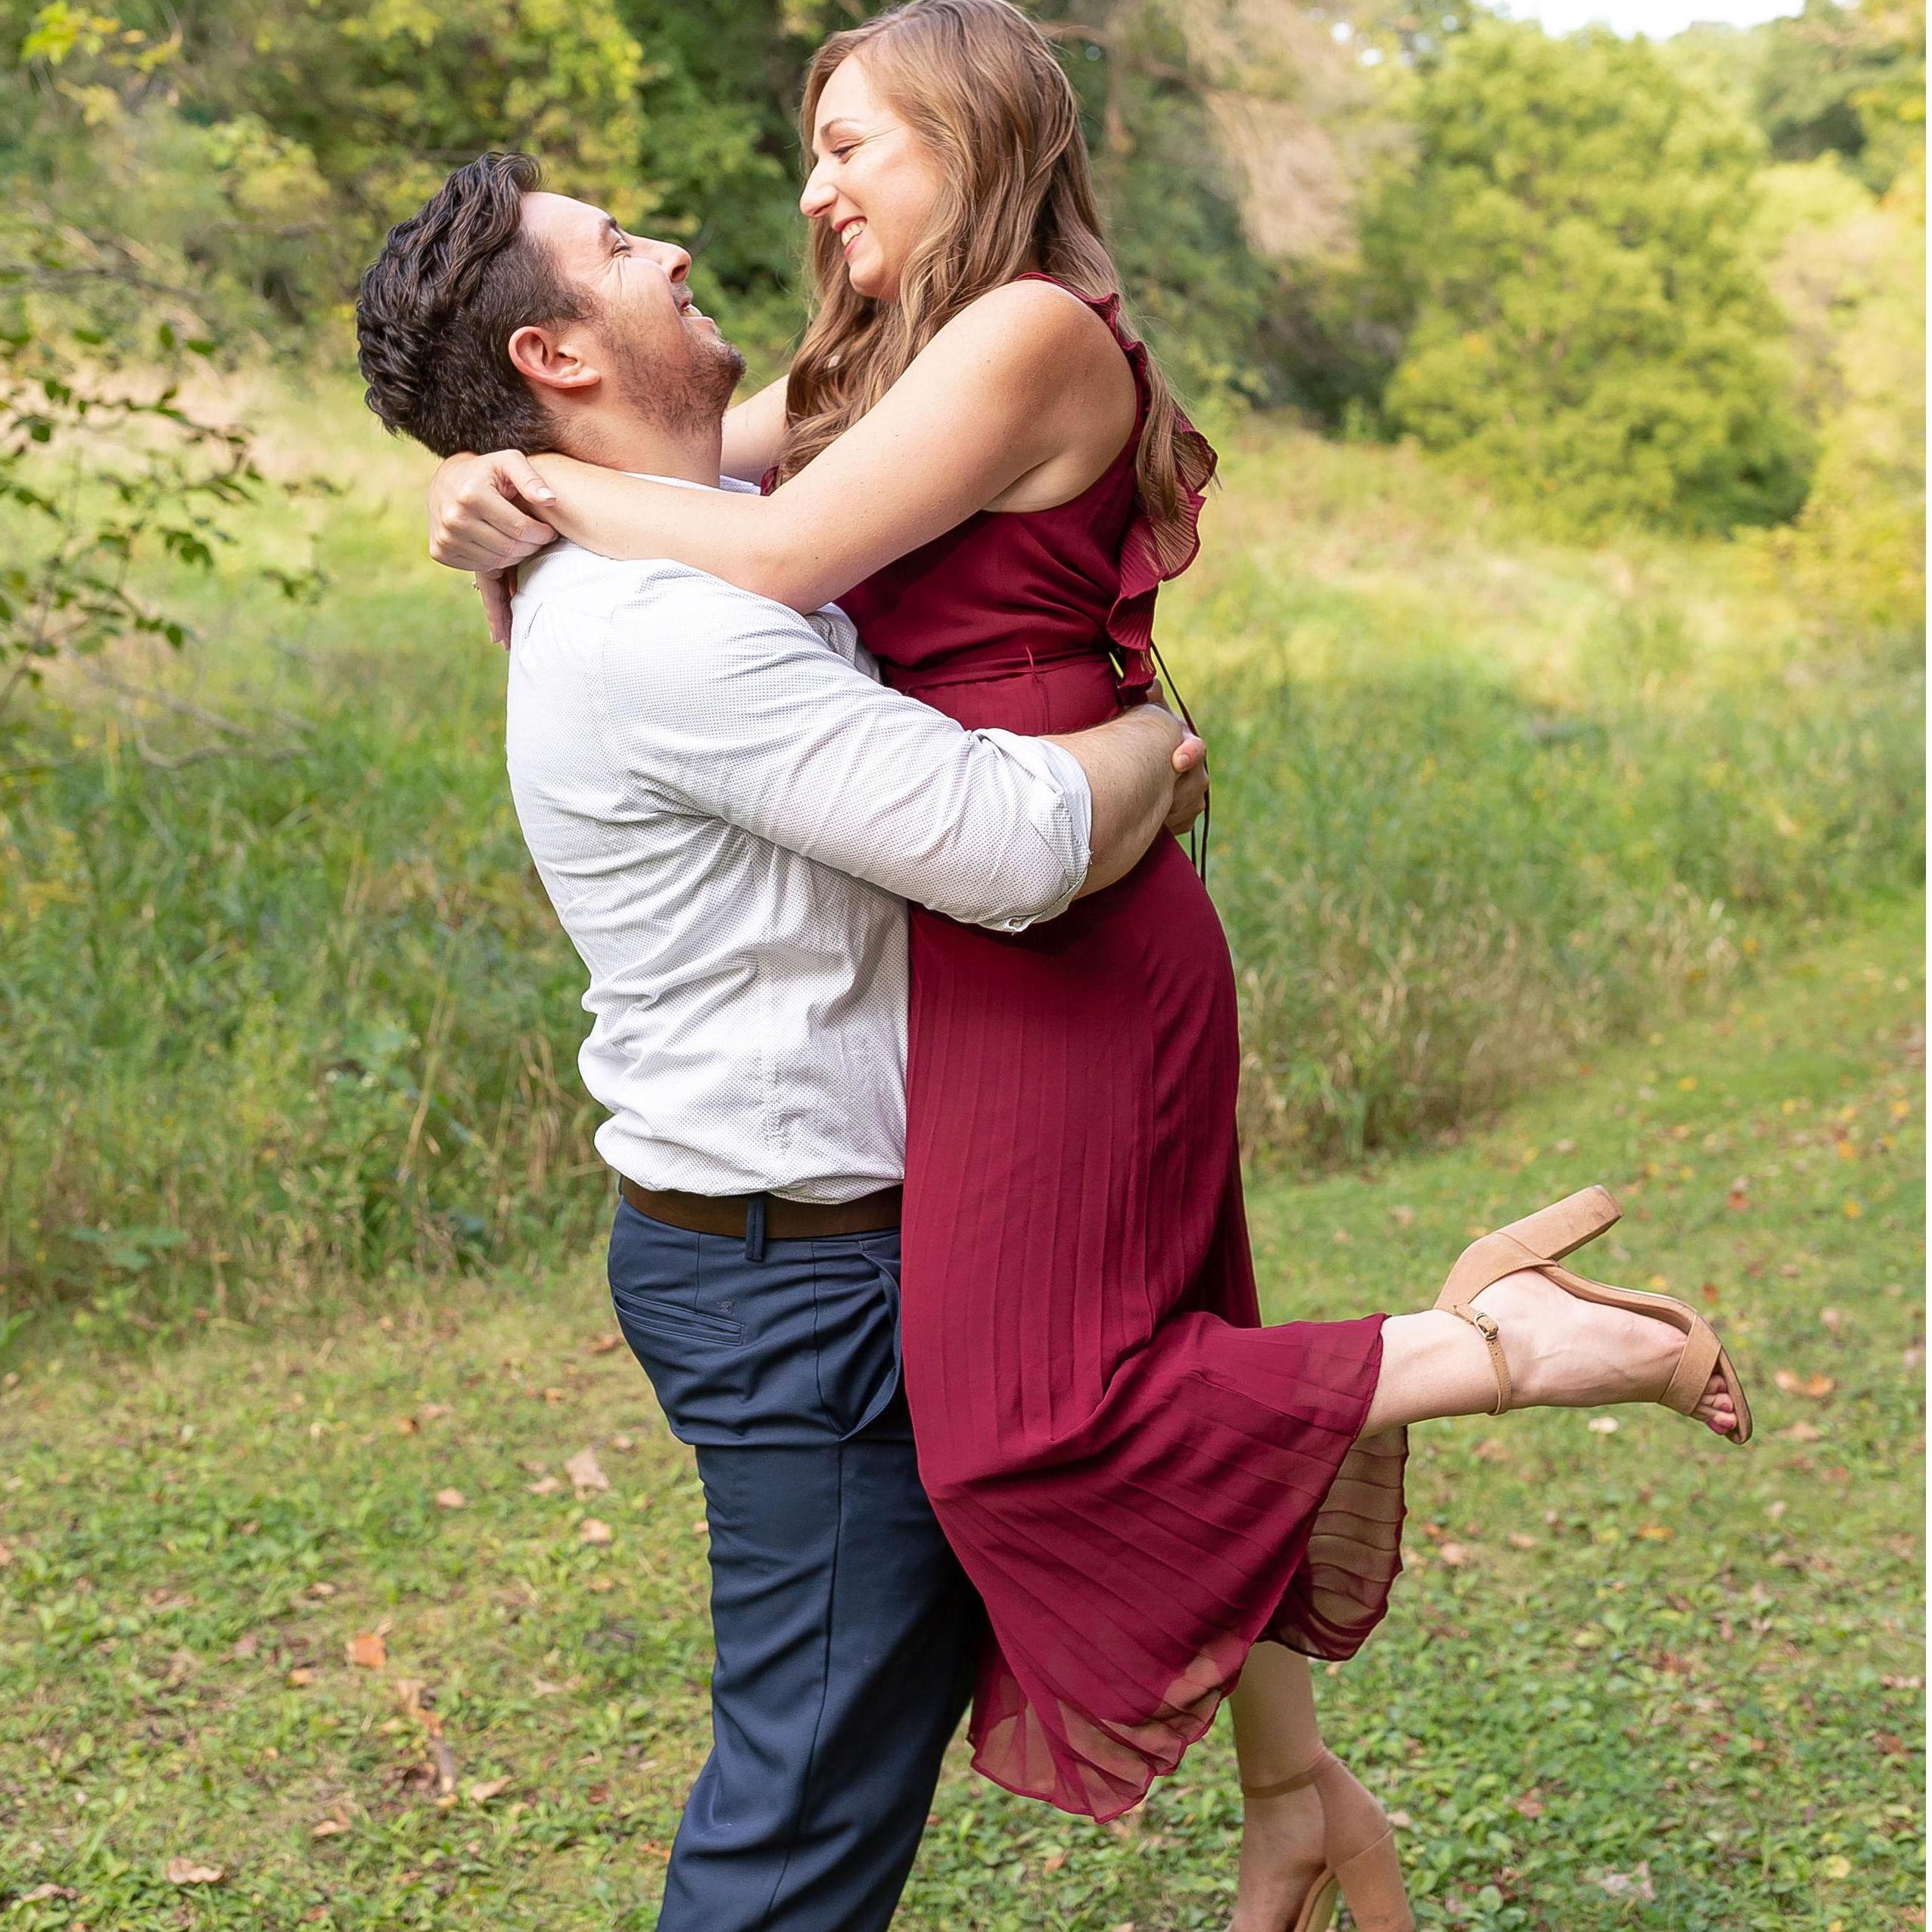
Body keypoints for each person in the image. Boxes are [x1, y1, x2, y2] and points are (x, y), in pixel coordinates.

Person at [422, 5, 1750, 1926]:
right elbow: (710, 478)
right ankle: (1290, 1783)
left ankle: (1507, 1345)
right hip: (1002, 914)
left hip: (1067, 905)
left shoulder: (1027, 330)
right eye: (812, 147)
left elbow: (766, 548)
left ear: (967, 137)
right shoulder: (890, 354)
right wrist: (492, 489)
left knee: (1030, 1422)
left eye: (849, 144)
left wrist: (533, 494)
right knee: (1149, 1346)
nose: (805, 192)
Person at [356, 153, 1209, 1932]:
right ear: (553, 354)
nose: (671, 244)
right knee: (799, 1825)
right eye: (615, 247)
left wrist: (500, 482)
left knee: (840, 1769)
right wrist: (1154, 745)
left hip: (824, 1247)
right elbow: (1011, 846)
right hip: (801, 1281)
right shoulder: (665, 622)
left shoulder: (679, 530)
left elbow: (828, 442)